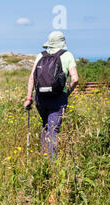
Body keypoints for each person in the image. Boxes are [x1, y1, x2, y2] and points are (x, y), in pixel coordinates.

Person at [24, 31, 79, 160]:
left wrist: (29, 98)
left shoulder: (41, 55)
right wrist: (68, 92)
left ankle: (43, 157)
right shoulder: (67, 55)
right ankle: (51, 163)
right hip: (58, 98)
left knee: (45, 125)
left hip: (40, 98)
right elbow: (75, 79)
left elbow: (32, 77)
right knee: (53, 129)